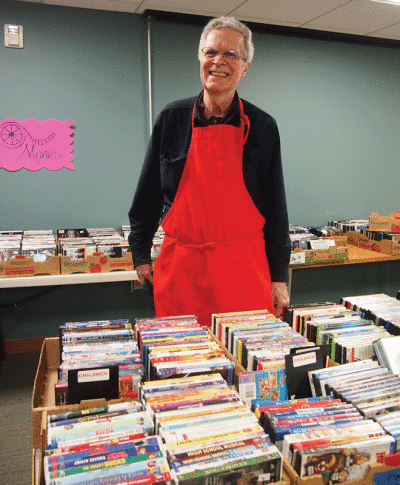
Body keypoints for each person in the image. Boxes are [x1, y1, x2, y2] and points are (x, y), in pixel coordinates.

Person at [128, 16, 291, 327]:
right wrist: (141, 255)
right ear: (200, 58)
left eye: (232, 54)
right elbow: (147, 193)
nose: (220, 61)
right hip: (182, 270)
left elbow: (276, 207)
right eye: (211, 52)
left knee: (245, 360)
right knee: (182, 361)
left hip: (242, 269)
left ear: (246, 67)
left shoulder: (263, 127)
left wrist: (279, 277)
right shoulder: (171, 118)